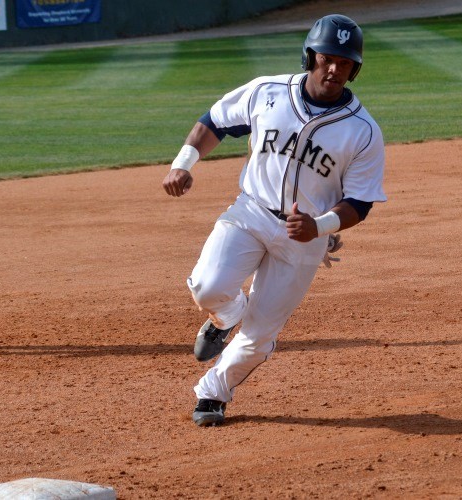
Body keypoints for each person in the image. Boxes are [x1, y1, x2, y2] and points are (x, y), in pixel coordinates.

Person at [162, 14, 386, 426]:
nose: (334, 69)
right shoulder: (267, 92)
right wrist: (183, 163)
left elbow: (360, 202)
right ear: (311, 56)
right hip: (251, 212)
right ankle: (228, 315)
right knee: (207, 286)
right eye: (327, 58)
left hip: (304, 239)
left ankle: (213, 393)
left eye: (345, 62)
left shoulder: (363, 131)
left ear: (355, 69)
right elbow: (215, 121)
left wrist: (320, 227)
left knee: (260, 334)